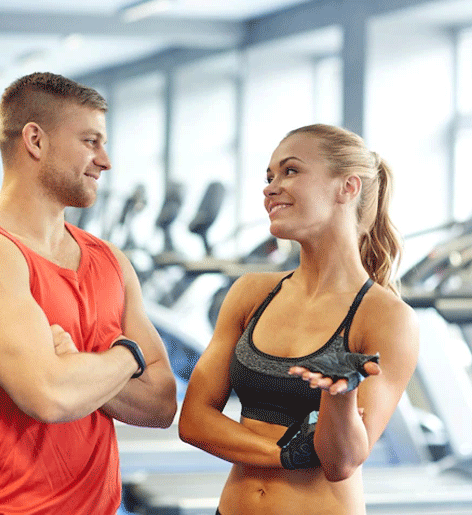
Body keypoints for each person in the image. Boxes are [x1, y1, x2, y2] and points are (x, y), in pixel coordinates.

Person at [0, 72, 178, 514]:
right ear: (35, 141)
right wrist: (128, 356)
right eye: (90, 141)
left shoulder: (111, 261)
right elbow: (50, 396)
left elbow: (161, 403)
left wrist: (77, 364)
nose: (105, 160)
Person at [178, 124, 419, 515]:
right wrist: (287, 454)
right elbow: (194, 421)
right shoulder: (251, 293)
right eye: (269, 176)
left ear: (348, 187)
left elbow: (340, 463)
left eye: (290, 171)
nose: (270, 187)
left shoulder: (386, 317)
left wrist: (339, 398)